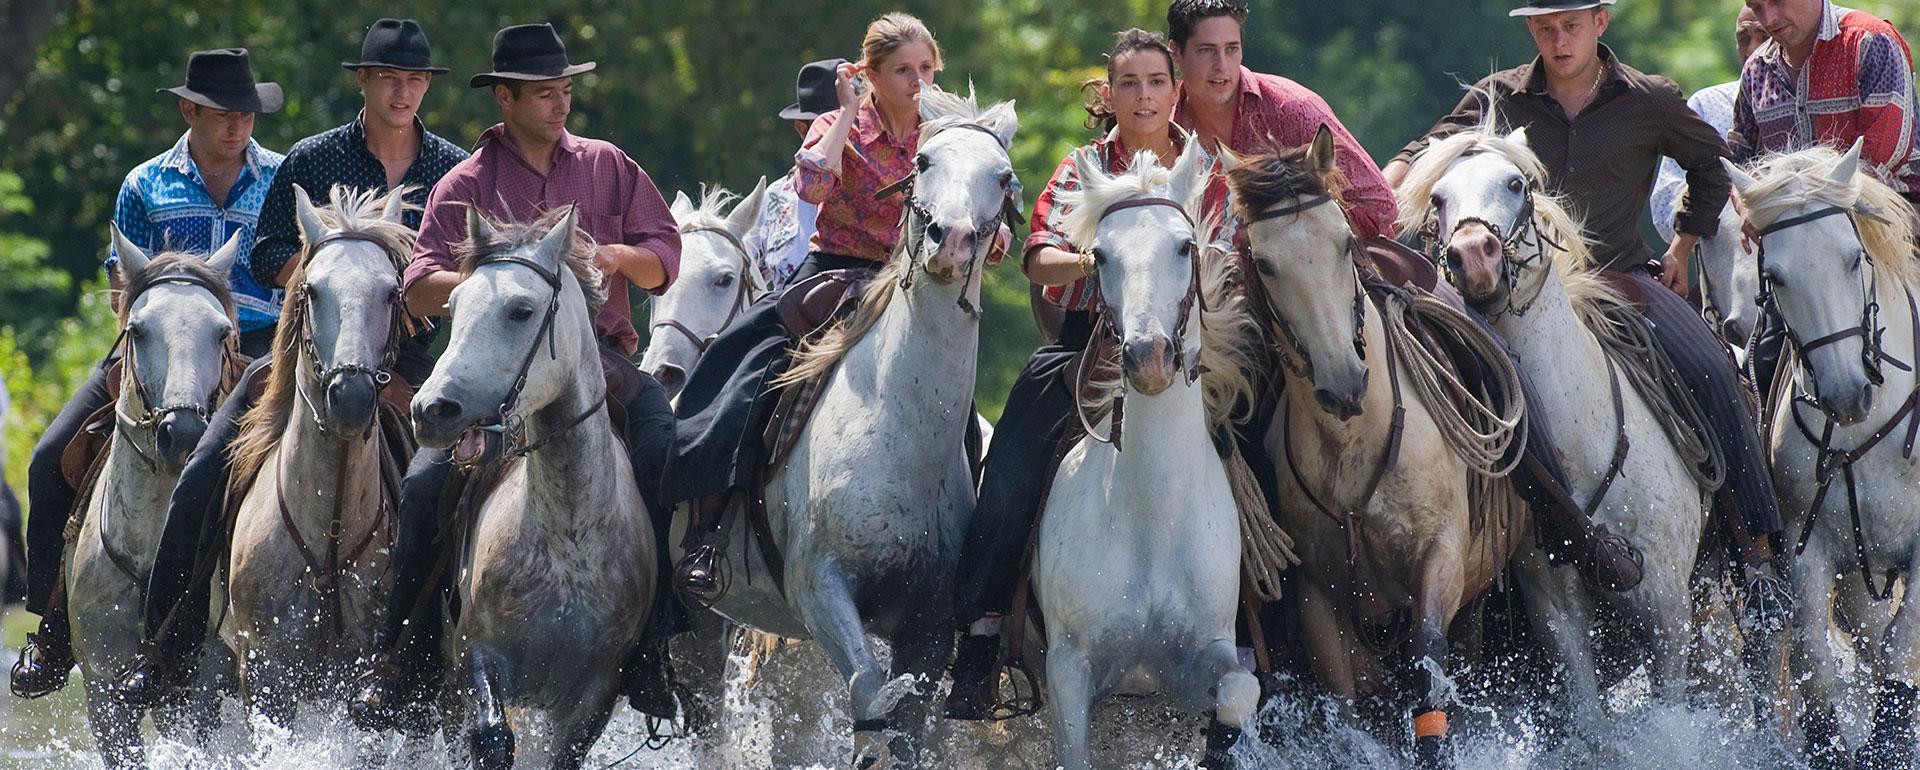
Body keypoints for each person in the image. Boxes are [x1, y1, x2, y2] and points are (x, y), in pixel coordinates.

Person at [112, 19, 470, 705]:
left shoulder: (452, 169)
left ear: (427, 86)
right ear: (362, 81)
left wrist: (402, 305)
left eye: (415, 80)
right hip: (305, 360)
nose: (403, 92)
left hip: (417, 363)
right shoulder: (312, 158)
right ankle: (166, 645)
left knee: (456, 487)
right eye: (389, 78)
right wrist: (345, 273)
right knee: (202, 474)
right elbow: (266, 252)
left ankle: (432, 653)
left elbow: (462, 270)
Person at [348, 22, 682, 727]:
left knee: (660, 439)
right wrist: (487, 276)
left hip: (600, 361)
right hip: (489, 371)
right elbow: (416, 286)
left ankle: (654, 641)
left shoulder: (607, 164)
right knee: (427, 481)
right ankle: (400, 654)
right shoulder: (466, 182)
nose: (561, 104)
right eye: (543, 92)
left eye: (565, 89)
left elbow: (665, 258)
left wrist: (620, 258)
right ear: (503, 97)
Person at [1385, 0, 1786, 583]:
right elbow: (1430, 149)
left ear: (1601, 22)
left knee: (1712, 369)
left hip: (1619, 280)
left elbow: (1711, 164)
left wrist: (1682, 245)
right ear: (1530, 29)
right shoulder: (1499, 98)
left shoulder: (1650, 99)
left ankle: (1755, 550)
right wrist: (1382, 182)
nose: (1559, 40)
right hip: (1516, 293)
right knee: (1444, 386)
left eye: (1571, 26)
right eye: (1545, 28)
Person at [944, 27, 1237, 720]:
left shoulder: (1206, 171)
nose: (1143, 96)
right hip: (1087, 345)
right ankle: (983, 637)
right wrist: (1111, 266)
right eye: (1128, 84)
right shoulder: (1081, 166)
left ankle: (1267, 641)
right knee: (1011, 461)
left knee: (1266, 454)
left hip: (1195, 349)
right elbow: (1039, 259)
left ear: (1176, 90)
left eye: (1156, 83)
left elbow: (1224, 260)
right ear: (1110, 95)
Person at [667, 13, 1008, 599]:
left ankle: (964, 552)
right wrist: (848, 110)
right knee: (745, 374)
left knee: (962, 414)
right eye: (903, 70)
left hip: (918, 291)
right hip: (834, 279)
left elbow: (987, 221)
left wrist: (989, 236)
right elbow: (812, 187)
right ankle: (708, 530)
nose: (919, 81)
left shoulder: (950, 139)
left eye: (927, 69)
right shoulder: (838, 122)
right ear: (868, 74)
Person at [11, 48, 285, 699]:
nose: (237, 125)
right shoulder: (145, 184)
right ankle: (54, 628)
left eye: (245, 114)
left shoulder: (279, 177)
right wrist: (142, 350)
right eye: (223, 114)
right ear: (189, 109)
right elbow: (121, 286)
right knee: (51, 458)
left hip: (258, 351)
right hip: (156, 345)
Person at [1731, 0, 1920, 400]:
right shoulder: (1756, 73)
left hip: (1895, 237)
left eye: (1776, 3)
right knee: (1754, 371)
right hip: (1800, 265)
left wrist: (1797, 208)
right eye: (1756, 7)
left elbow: (1884, 152)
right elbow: (1743, 157)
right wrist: (1749, 203)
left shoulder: (1870, 42)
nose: (1768, 20)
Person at [1650, 6, 1768, 243]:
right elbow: (1664, 207)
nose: (1753, 49)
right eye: (1743, 39)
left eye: (1764, 37)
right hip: (1721, 270)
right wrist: (1731, 209)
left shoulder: (1806, 102)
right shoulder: (1707, 105)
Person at [746, 58, 844, 290]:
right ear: (802, 130)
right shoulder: (774, 198)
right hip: (789, 320)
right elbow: (743, 276)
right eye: (828, 127)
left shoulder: (882, 185)